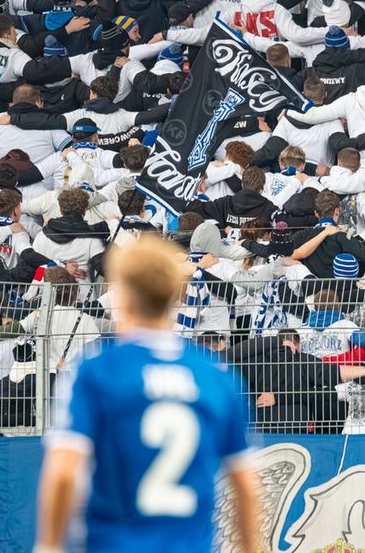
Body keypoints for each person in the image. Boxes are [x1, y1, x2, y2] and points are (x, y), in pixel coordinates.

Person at [35, 236, 261, 553]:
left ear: (123, 296)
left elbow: (63, 471)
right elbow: (246, 485)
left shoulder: (97, 371)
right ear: (174, 293)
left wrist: (48, 545)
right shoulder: (215, 376)